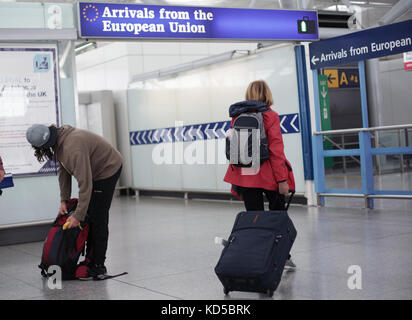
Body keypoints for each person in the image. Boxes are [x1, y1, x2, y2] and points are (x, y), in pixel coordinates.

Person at [26, 124, 123, 280]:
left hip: (107, 169)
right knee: (89, 214)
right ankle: (91, 260)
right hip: (93, 172)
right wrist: (64, 200)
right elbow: (64, 171)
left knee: (98, 217)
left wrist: (78, 215)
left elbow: (85, 182)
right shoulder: (58, 139)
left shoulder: (73, 147)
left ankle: (98, 265)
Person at [224, 80, 296, 270]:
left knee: (254, 219)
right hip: (268, 176)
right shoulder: (271, 116)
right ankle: (282, 256)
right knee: (277, 218)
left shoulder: (237, 116)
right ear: (267, 94)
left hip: (246, 176)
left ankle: (256, 257)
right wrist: (282, 180)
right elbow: (276, 150)